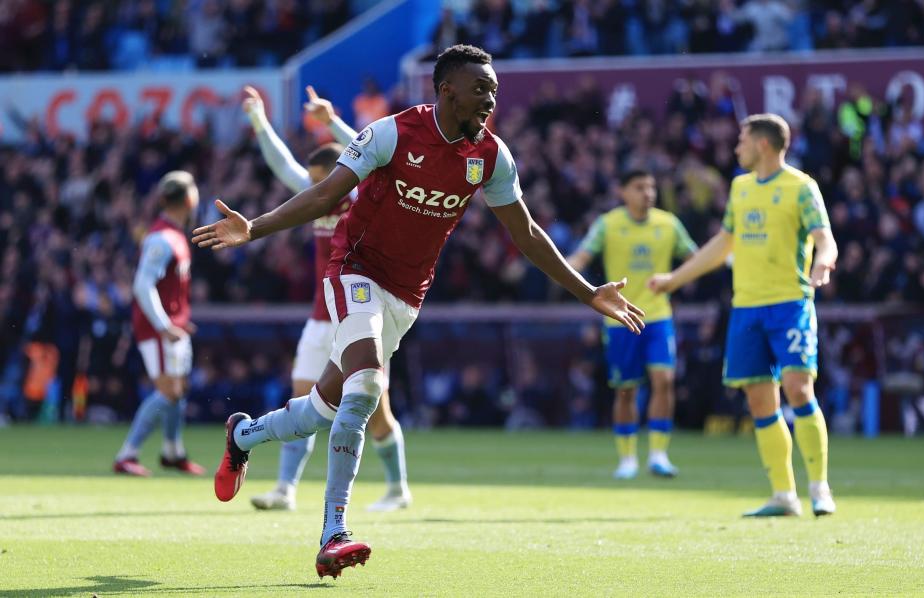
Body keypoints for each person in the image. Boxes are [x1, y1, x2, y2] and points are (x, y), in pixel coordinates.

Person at [192, 44, 645, 578]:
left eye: (494, 90)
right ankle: (333, 531)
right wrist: (256, 227)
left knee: (321, 409)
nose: (490, 98)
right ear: (447, 89)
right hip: (354, 271)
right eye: (481, 88)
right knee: (364, 390)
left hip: (406, 298)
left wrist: (588, 291)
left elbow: (525, 232)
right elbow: (324, 194)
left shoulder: (491, 157)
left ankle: (243, 436)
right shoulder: (393, 133)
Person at [649, 113, 838, 518]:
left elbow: (825, 238)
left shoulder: (801, 187)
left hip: (790, 304)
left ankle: (819, 488)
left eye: (742, 141)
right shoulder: (740, 188)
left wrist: (822, 264)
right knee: (759, 402)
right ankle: (784, 495)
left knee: (799, 388)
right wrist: (674, 279)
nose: (737, 148)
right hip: (746, 309)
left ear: (763, 145)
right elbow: (722, 244)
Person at [241, 85, 411, 512]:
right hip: (321, 318)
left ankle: (397, 489)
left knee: (375, 412)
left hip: (362, 312)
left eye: (321, 182)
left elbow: (374, 148)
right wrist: (260, 121)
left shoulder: (362, 194)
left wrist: (332, 120)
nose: (316, 192)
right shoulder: (317, 192)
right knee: (302, 401)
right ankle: (285, 489)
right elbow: (283, 166)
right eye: (314, 184)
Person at [568, 169, 696, 480]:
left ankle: (658, 455)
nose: (648, 193)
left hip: (658, 316)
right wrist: (563, 271)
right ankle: (627, 459)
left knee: (664, 381)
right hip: (619, 320)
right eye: (639, 187)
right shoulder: (608, 225)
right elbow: (581, 258)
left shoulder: (668, 224)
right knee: (626, 391)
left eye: (651, 187)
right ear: (622, 192)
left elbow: (695, 257)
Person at [113, 171, 205, 477]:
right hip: (158, 328)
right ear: (190, 199)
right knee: (168, 390)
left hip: (173, 325)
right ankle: (127, 454)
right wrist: (165, 324)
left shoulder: (174, 235)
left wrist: (177, 319)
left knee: (178, 390)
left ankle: (172, 451)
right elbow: (142, 285)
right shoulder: (162, 238)